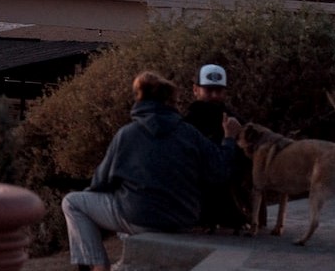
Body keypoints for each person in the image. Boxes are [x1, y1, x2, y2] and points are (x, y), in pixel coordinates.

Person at [63, 72, 240, 271]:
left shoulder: (127, 134)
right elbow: (220, 171)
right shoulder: (189, 133)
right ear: (172, 102)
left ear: (140, 100)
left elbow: (100, 182)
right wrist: (229, 139)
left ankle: (98, 265)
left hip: (139, 217)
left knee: (72, 202)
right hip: (183, 218)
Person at [183, 64, 248, 232]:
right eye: (208, 90)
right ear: (195, 90)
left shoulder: (234, 119)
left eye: (218, 91)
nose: (214, 96)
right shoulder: (187, 122)